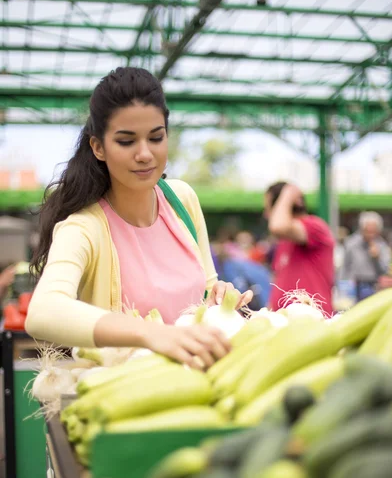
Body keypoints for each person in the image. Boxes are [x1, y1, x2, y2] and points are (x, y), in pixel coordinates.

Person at [26, 67, 253, 369]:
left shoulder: (182, 200)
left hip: (198, 388)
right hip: (129, 401)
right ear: (98, 147)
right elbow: (43, 312)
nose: (145, 153)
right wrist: (153, 335)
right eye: (126, 141)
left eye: (156, 137)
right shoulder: (84, 228)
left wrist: (219, 296)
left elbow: (206, 288)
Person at [264, 181, 335, 315]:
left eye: (269, 208)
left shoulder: (315, 227)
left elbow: (277, 226)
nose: (267, 215)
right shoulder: (285, 242)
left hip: (313, 322)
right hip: (286, 323)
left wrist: (288, 192)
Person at [341, 211, 391, 301]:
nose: (370, 235)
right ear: (361, 229)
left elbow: (385, 270)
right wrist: (342, 286)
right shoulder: (351, 243)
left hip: (373, 286)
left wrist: (377, 258)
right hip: (353, 286)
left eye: (373, 231)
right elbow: (344, 266)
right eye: (367, 231)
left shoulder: (382, 246)